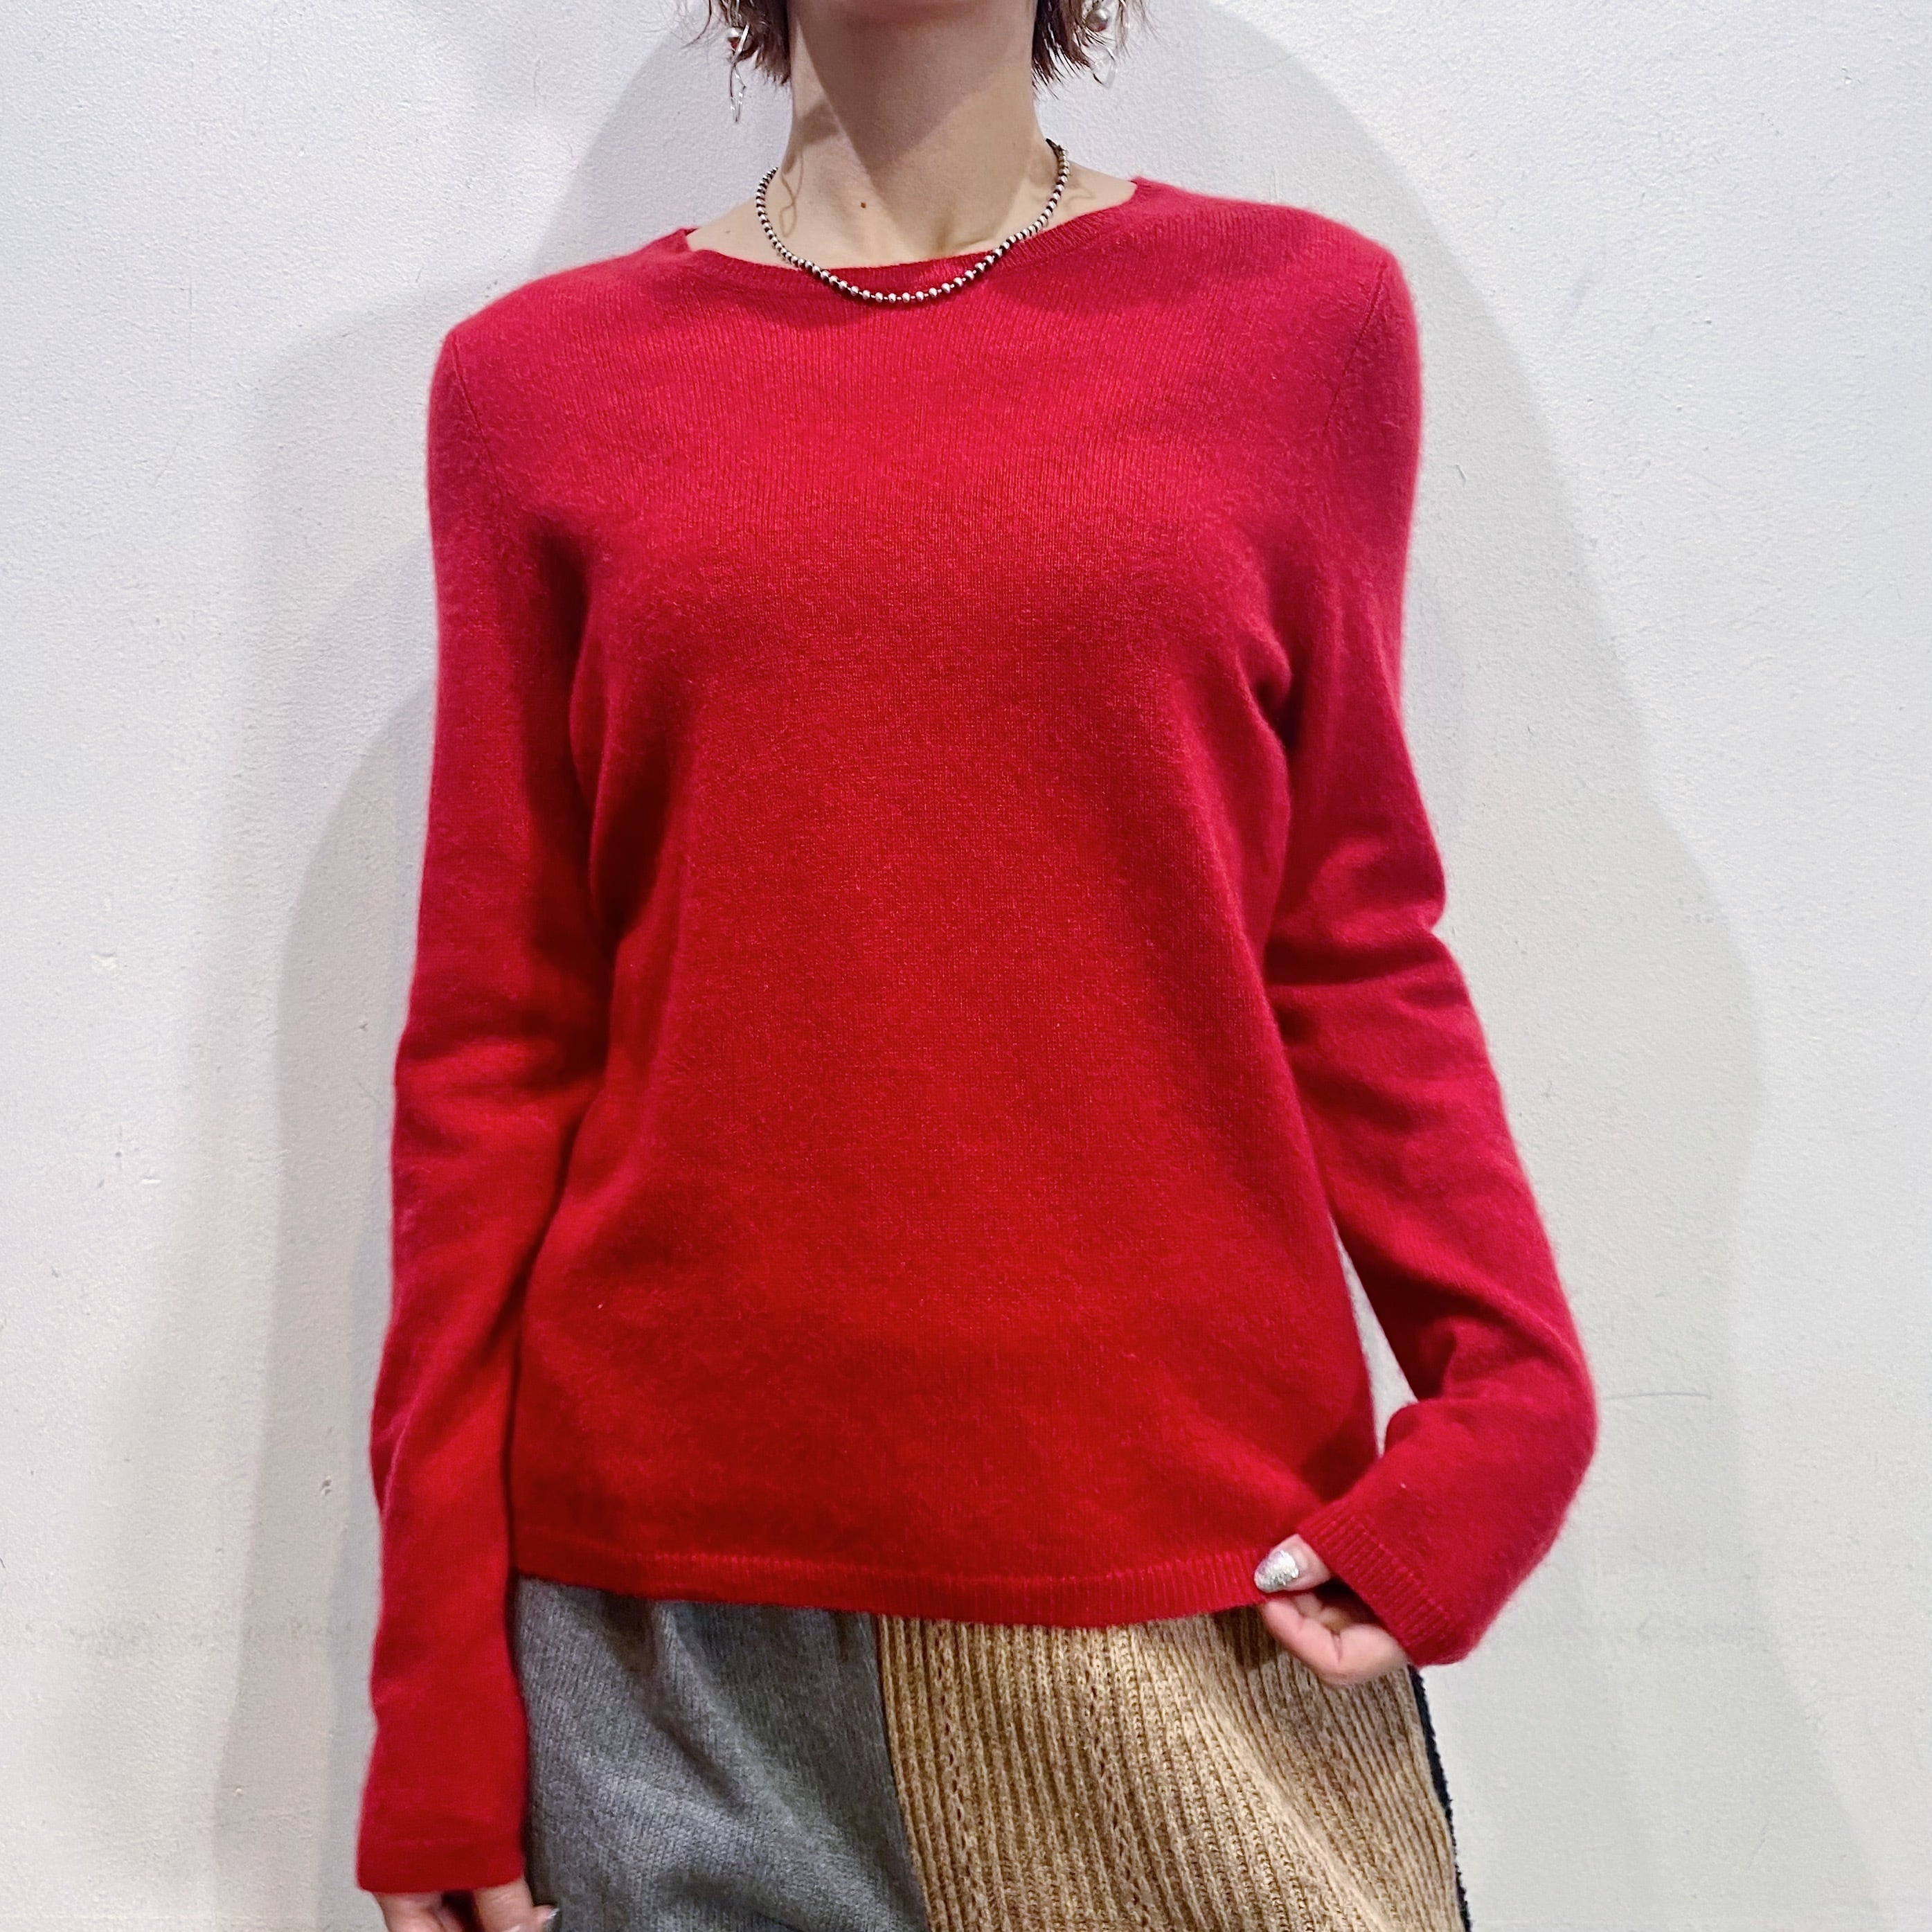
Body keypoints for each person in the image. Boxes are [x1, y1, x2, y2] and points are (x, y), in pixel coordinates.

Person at [355, 0, 1600, 1923]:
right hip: (676, 1640)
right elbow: (497, 1047)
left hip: (1194, 1585)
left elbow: (1348, 930)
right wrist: (437, 1694)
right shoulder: (535, 389)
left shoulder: (1299, 326)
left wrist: (1515, 1399)